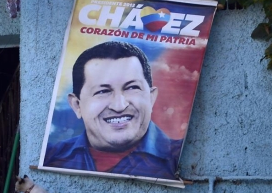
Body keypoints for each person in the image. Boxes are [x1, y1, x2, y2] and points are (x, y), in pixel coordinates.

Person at [44, 41, 182, 180]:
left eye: (132, 88)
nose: (119, 106)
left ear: (151, 98)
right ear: (77, 105)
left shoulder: (181, 158)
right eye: (103, 91)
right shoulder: (51, 158)